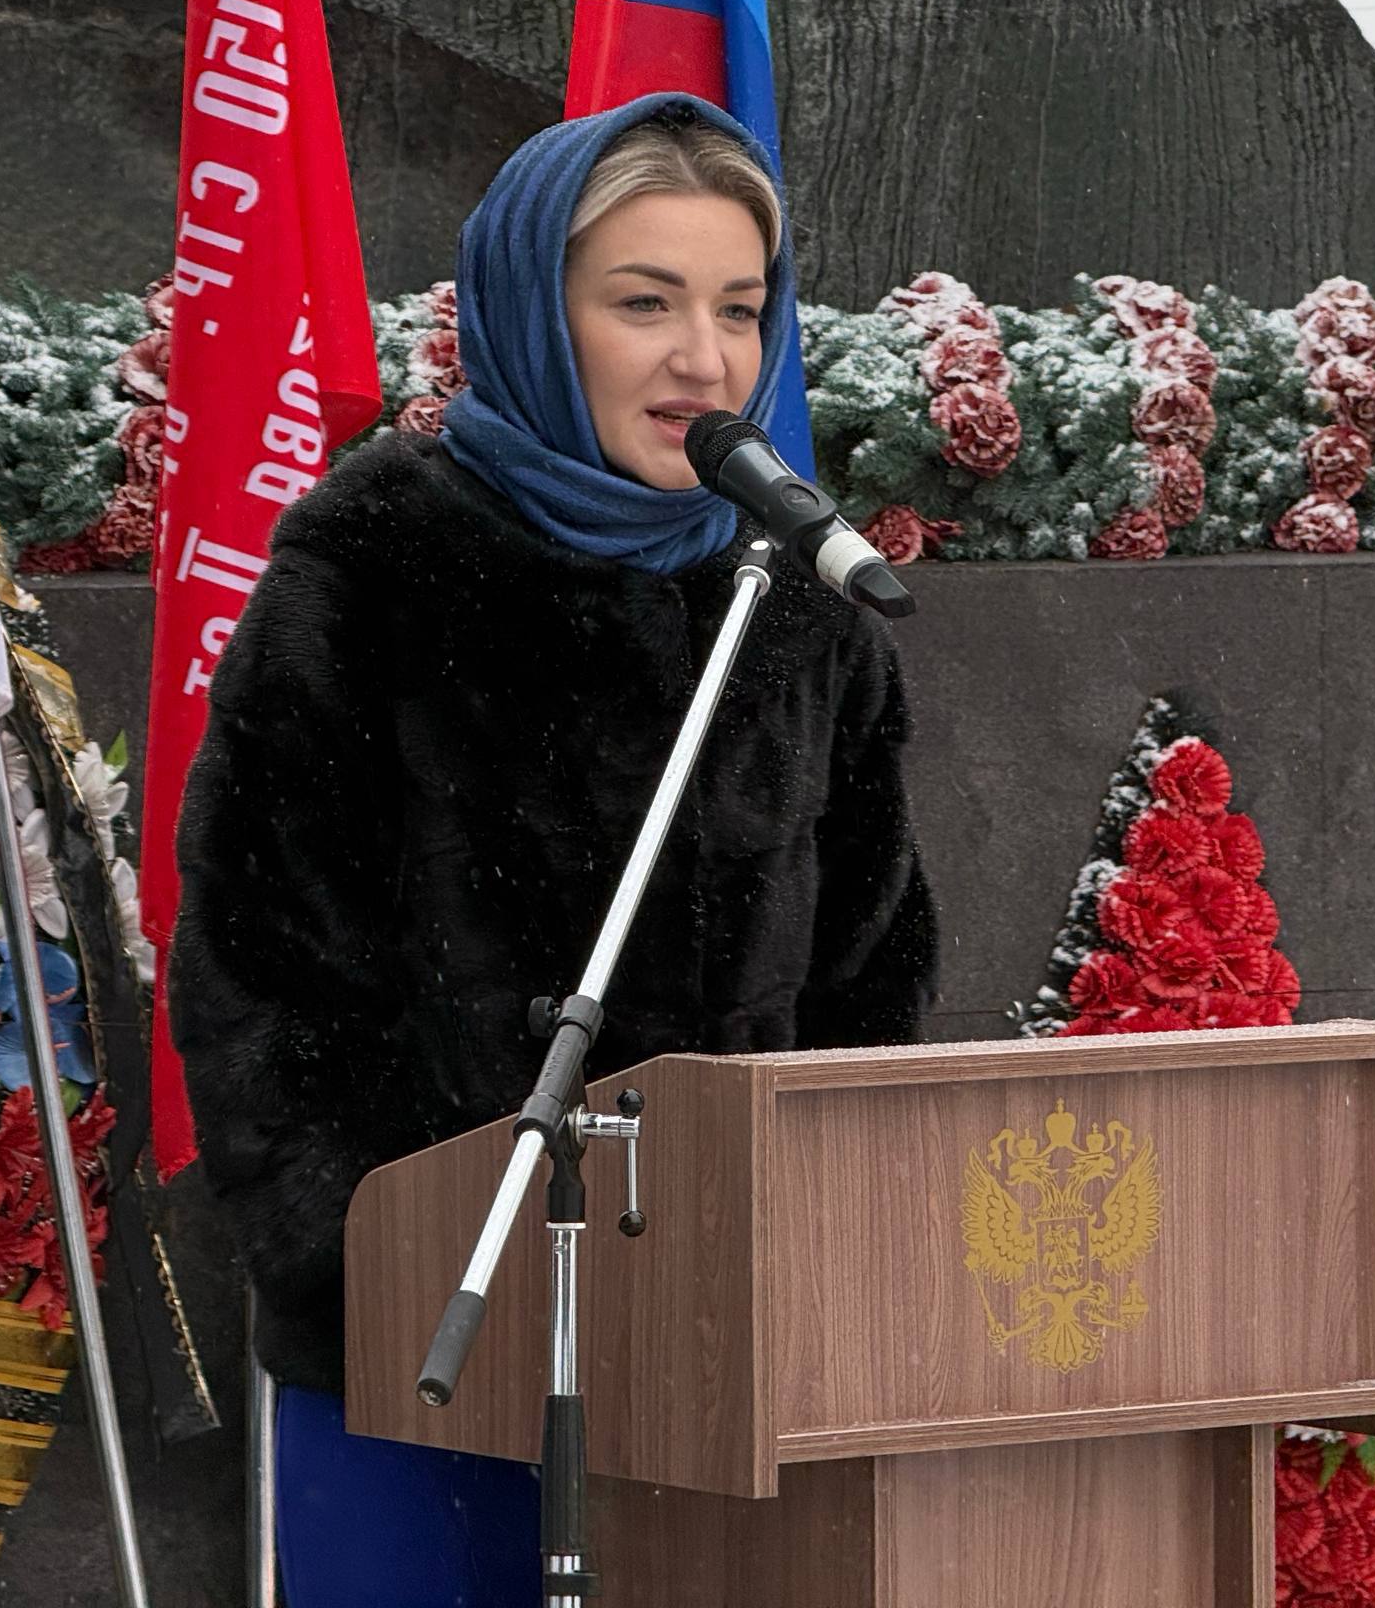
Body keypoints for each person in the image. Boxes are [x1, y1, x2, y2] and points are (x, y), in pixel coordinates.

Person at [168, 91, 939, 1605]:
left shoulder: (793, 611)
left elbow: (871, 972)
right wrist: (360, 1266)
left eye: (739, 307)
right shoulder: (371, 570)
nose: (702, 359)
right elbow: (261, 972)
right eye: (642, 303)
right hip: (422, 1360)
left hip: (728, 1364)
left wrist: (820, 1265)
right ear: (535, 309)